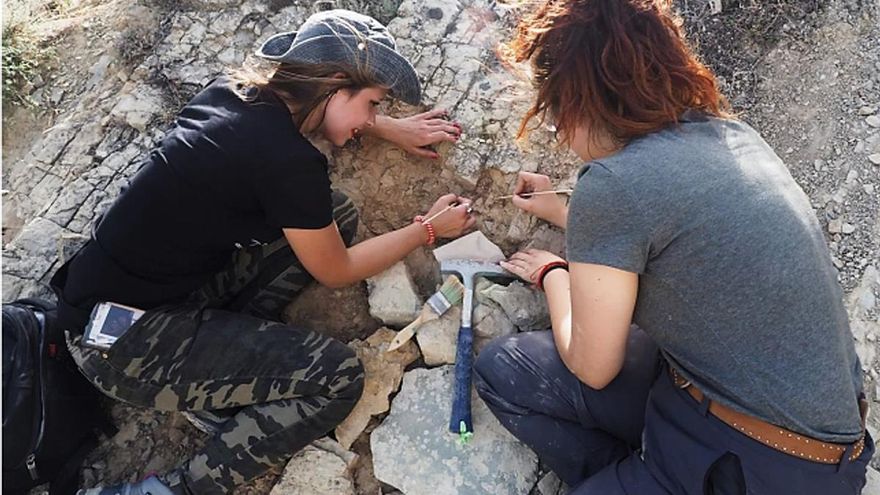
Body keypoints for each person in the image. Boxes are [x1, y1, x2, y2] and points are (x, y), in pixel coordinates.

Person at [53, 9, 474, 495]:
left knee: (334, 213)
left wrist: (385, 127)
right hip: (122, 346)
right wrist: (426, 229)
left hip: (105, 302)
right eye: (373, 104)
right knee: (338, 377)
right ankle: (174, 488)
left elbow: (310, 131)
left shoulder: (231, 95)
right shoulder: (289, 163)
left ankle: (223, 373)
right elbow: (337, 270)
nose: (371, 118)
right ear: (336, 85)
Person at [474, 1, 874, 493]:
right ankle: (639, 474)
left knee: (509, 373)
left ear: (575, 102)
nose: (560, 133)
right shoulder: (729, 134)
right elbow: (665, 230)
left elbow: (592, 367)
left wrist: (555, 274)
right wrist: (563, 212)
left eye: (554, 113)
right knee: (507, 368)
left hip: (756, 467)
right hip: (818, 449)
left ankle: (640, 478)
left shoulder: (612, 184)